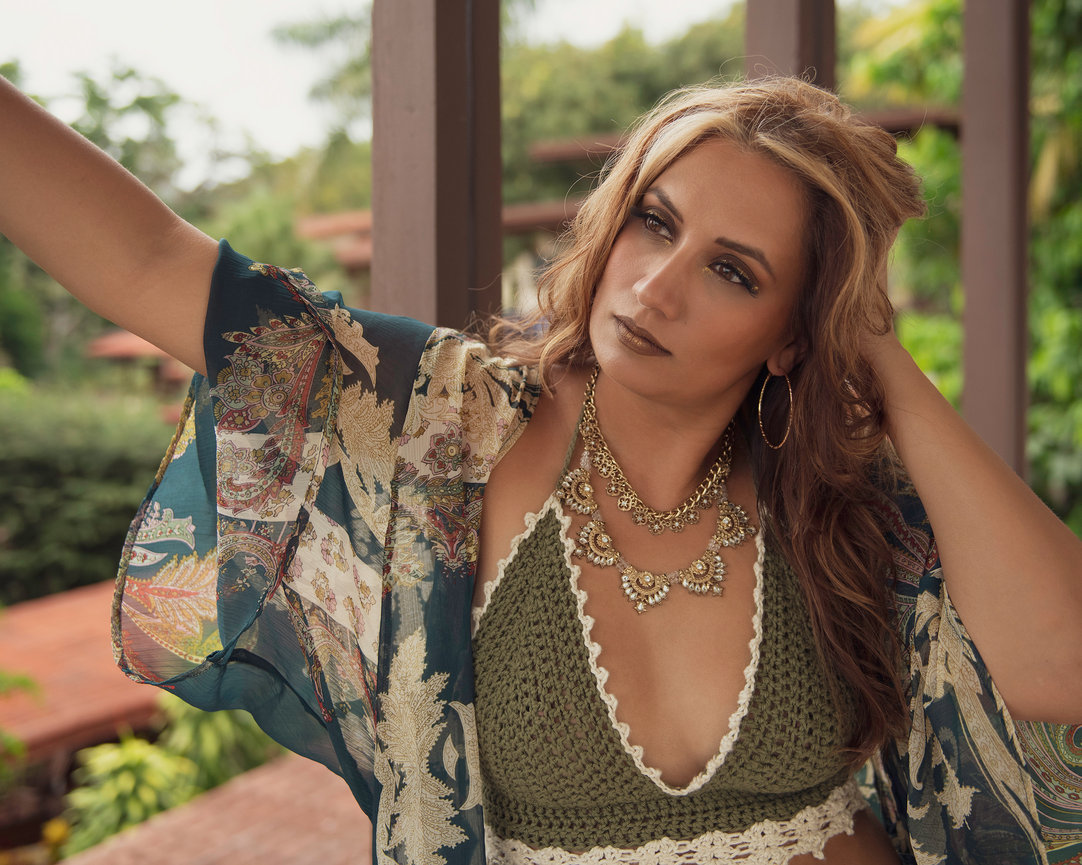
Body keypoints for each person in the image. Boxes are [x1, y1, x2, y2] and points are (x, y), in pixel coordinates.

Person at [1, 72, 1080, 865]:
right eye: (653, 221)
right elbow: (151, 262)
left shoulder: (838, 496)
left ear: (790, 332)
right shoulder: (443, 428)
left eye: (732, 272)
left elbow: (1056, 665)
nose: (654, 289)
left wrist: (874, 345)